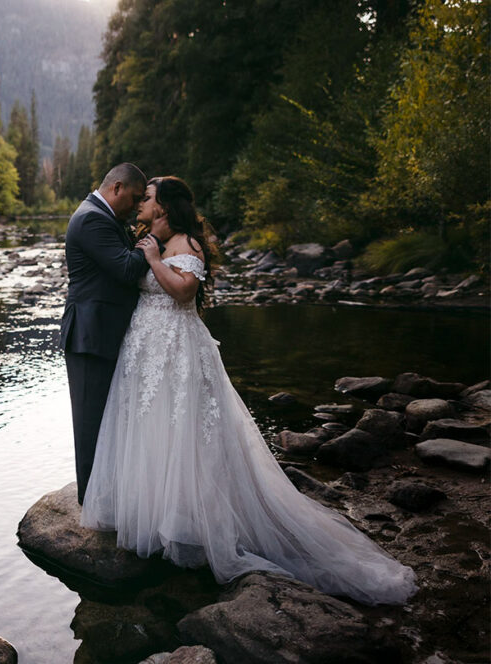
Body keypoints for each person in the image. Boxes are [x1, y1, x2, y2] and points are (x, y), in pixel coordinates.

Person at [79, 176, 417, 606]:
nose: (141, 203)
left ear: (163, 205)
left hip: (176, 348)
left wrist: (152, 259)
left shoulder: (188, 243)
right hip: (145, 347)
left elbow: (184, 293)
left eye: (146, 198)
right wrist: (145, 251)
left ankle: (193, 524)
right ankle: (154, 517)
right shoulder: (152, 236)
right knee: (151, 426)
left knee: (183, 431)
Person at [61, 163, 151, 506]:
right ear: (116, 188)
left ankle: (108, 494)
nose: (137, 205)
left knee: (108, 418)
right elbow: (127, 269)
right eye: (134, 197)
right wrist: (154, 240)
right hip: (89, 334)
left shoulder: (104, 216)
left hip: (103, 332)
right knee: (89, 421)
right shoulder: (92, 219)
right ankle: (91, 503)